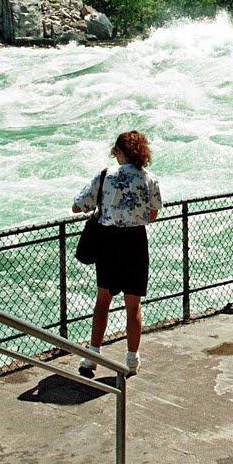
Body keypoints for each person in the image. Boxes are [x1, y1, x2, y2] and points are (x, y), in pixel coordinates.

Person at [74, 131, 163, 376]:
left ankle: (92, 356)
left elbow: (78, 206)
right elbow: (153, 214)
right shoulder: (150, 178)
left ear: (120, 151)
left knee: (103, 300)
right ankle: (132, 359)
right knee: (133, 304)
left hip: (108, 241)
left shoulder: (106, 175)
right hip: (135, 241)